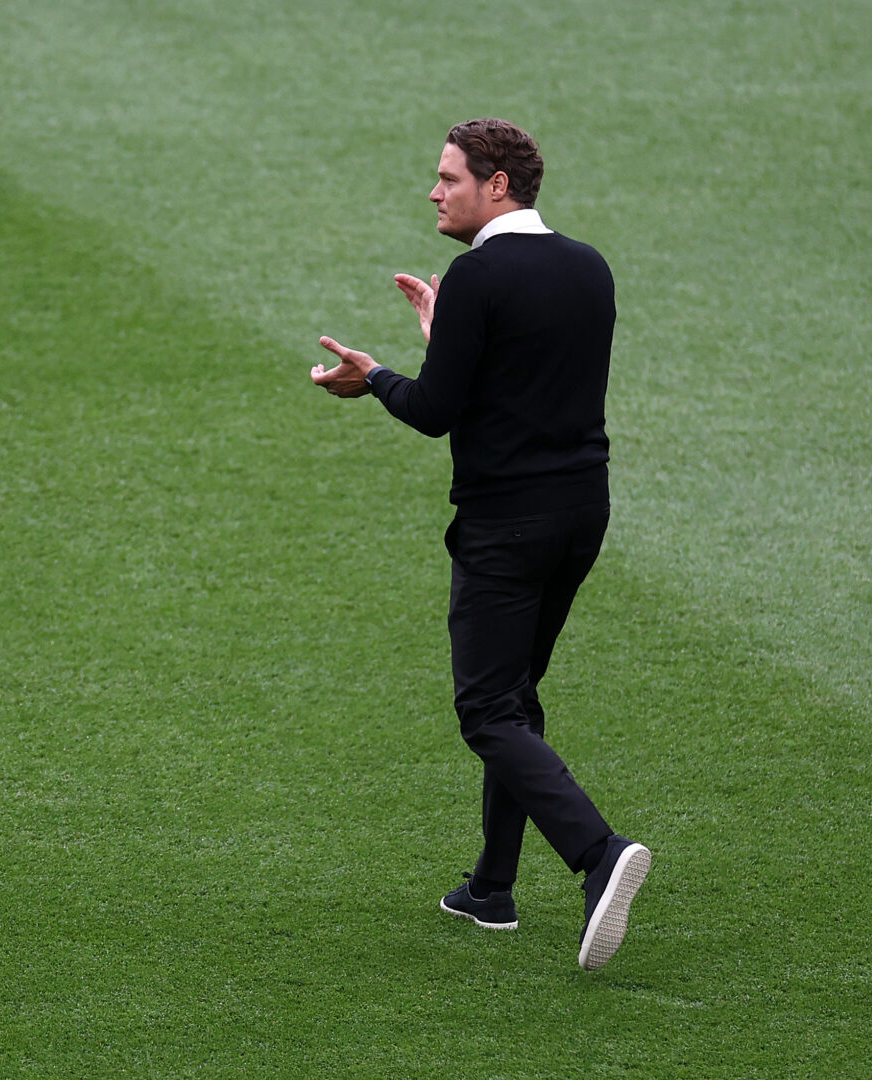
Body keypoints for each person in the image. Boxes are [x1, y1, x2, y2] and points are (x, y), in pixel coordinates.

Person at [310, 118, 650, 971]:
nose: (435, 191)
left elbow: (435, 413)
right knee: (516, 696)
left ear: (498, 185)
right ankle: (492, 887)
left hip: (508, 525)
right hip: (582, 513)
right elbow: (521, 384)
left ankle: (598, 852)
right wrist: (447, 338)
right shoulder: (589, 266)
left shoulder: (477, 276)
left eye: (449, 177)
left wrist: (371, 376)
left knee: (488, 710)